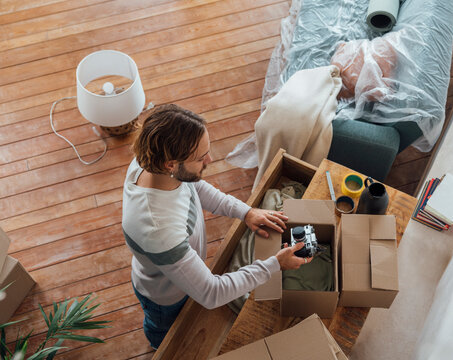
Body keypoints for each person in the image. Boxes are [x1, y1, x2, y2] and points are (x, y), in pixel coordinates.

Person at [122, 104, 312, 349]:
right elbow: (212, 294)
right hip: (166, 298)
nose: (210, 160)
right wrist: (275, 264)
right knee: (164, 334)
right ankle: (158, 347)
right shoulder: (159, 229)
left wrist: (245, 212)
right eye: (201, 158)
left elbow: (194, 187)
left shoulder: (150, 161)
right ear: (171, 164)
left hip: (179, 270)